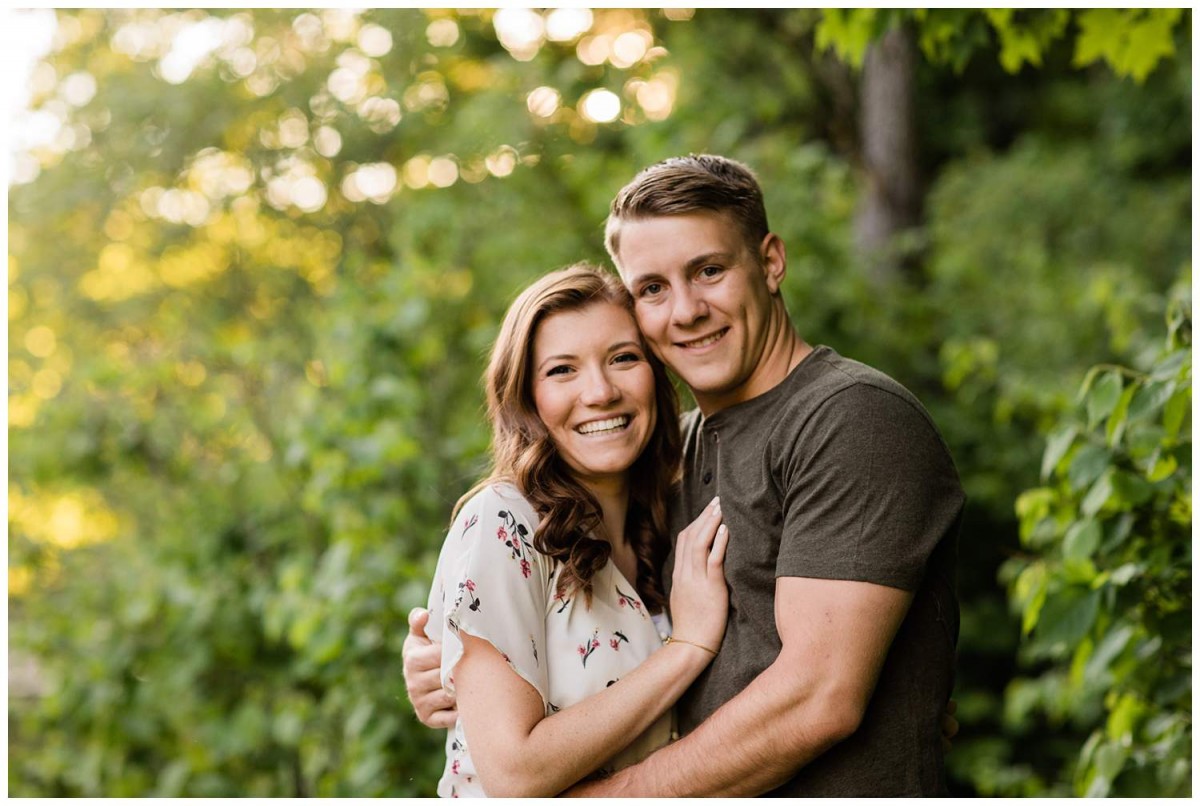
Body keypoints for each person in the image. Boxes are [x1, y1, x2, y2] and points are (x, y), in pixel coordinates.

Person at [406, 155, 965, 796]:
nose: (686, 310)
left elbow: (819, 698)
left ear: (771, 262)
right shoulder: (671, 461)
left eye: (709, 270)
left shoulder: (851, 419)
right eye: (652, 289)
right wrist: (449, 661)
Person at [424, 264, 732, 797]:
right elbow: (515, 775)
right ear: (525, 398)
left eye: (623, 358)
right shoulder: (502, 522)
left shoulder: (667, 513)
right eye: (562, 370)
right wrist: (687, 647)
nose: (601, 392)